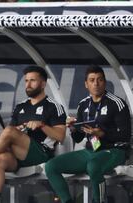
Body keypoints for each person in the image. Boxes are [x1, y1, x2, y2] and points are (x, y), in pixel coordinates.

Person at [0, 65, 67, 203]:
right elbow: (10, 131)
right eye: (26, 81)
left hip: (40, 153)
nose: (28, 84)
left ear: (43, 84)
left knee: (9, 132)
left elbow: (60, 136)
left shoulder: (53, 106)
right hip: (18, 153)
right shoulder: (20, 106)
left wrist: (42, 125)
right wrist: (21, 127)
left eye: (32, 80)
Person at [45, 65, 131, 203]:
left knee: (93, 166)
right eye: (92, 80)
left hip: (115, 150)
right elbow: (79, 137)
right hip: (91, 150)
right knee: (51, 166)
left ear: (104, 82)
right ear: (86, 84)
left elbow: (126, 136)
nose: (96, 83)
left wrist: (102, 134)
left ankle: (99, 201)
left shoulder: (117, 103)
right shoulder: (83, 105)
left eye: (99, 80)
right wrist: (73, 128)